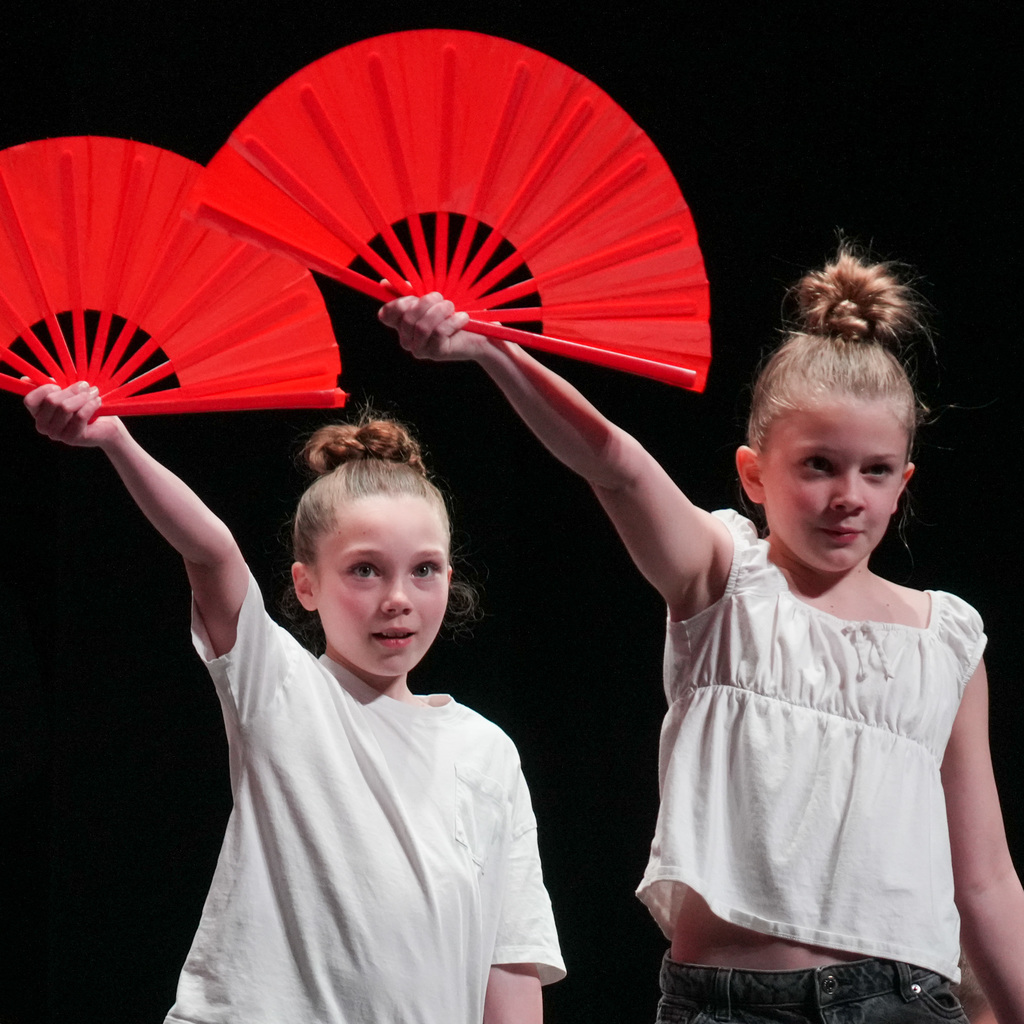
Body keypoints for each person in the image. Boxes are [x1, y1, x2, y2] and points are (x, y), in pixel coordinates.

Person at [379, 246, 1024, 1023]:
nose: (848, 495)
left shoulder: (944, 641)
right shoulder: (725, 579)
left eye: (877, 470)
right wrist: (491, 350)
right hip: (729, 1004)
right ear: (755, 474)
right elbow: (616, 465)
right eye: (818, 465)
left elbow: (986, 880)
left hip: (904, 1002)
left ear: (903, 485)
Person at [24, 383, 565, 1024]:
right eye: (365, 569)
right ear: (306, 585)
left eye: (424, 569)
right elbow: (210, 552)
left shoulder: (486, 751)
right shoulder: (282, 688)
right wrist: (115, 439)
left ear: (449, 578)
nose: (398, 598)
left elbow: (511, 958)